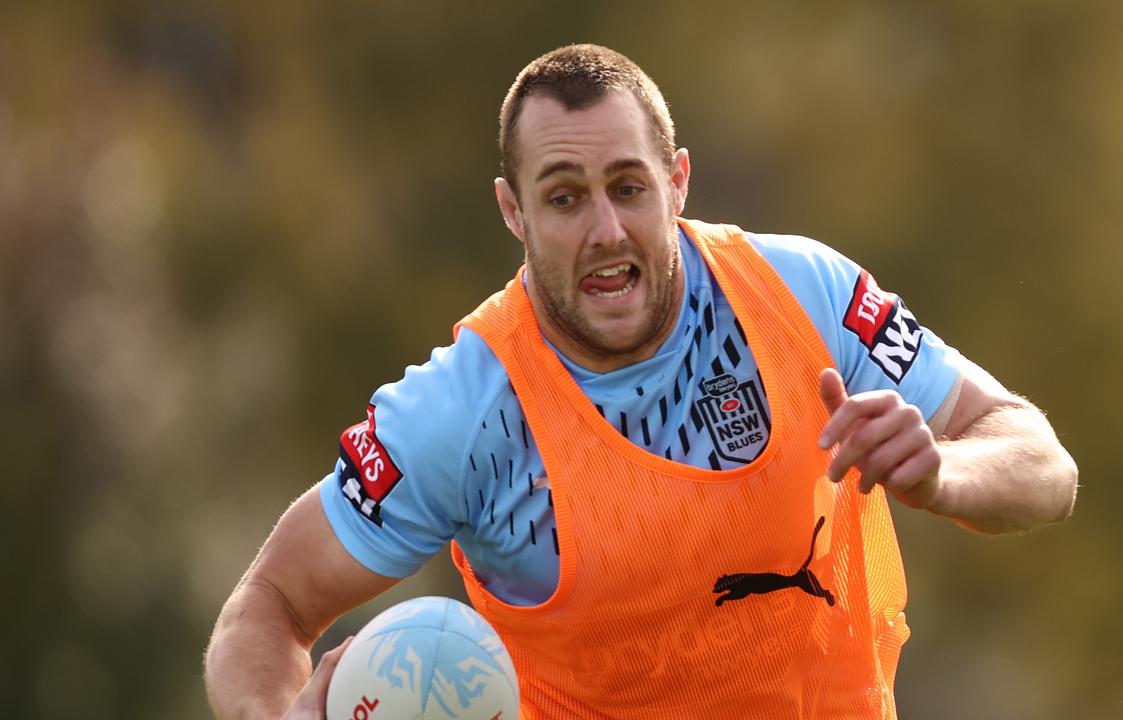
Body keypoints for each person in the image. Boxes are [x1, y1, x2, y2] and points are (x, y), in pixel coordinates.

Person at [204, 44, 1077, 719]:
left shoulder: (803, 296)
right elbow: (270, 603)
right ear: (513, 211)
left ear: (677, 181)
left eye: (629, 186)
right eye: (564, 197)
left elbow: (1043, 465)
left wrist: (944, 473)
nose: (606, 230)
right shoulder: (460, 415)